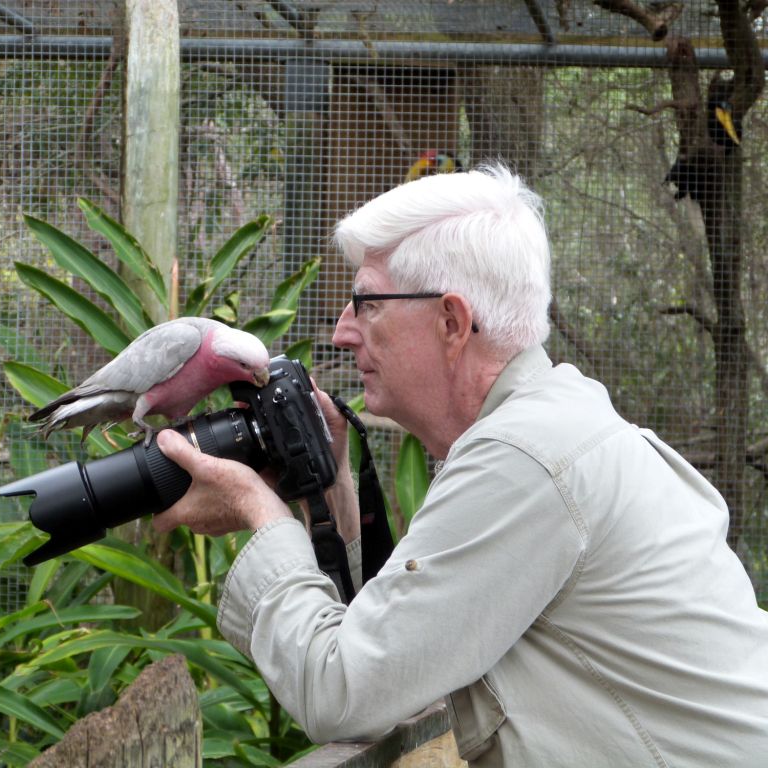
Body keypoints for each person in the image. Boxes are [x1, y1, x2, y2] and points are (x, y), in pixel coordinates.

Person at [151, 164, 768, 767]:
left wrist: (258, 512)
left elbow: (341, 691)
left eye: (366, 304)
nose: (341, 332)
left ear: (452, 321)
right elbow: (406, 642)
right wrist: (335, 490)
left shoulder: (524, 459)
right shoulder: (555, 419)